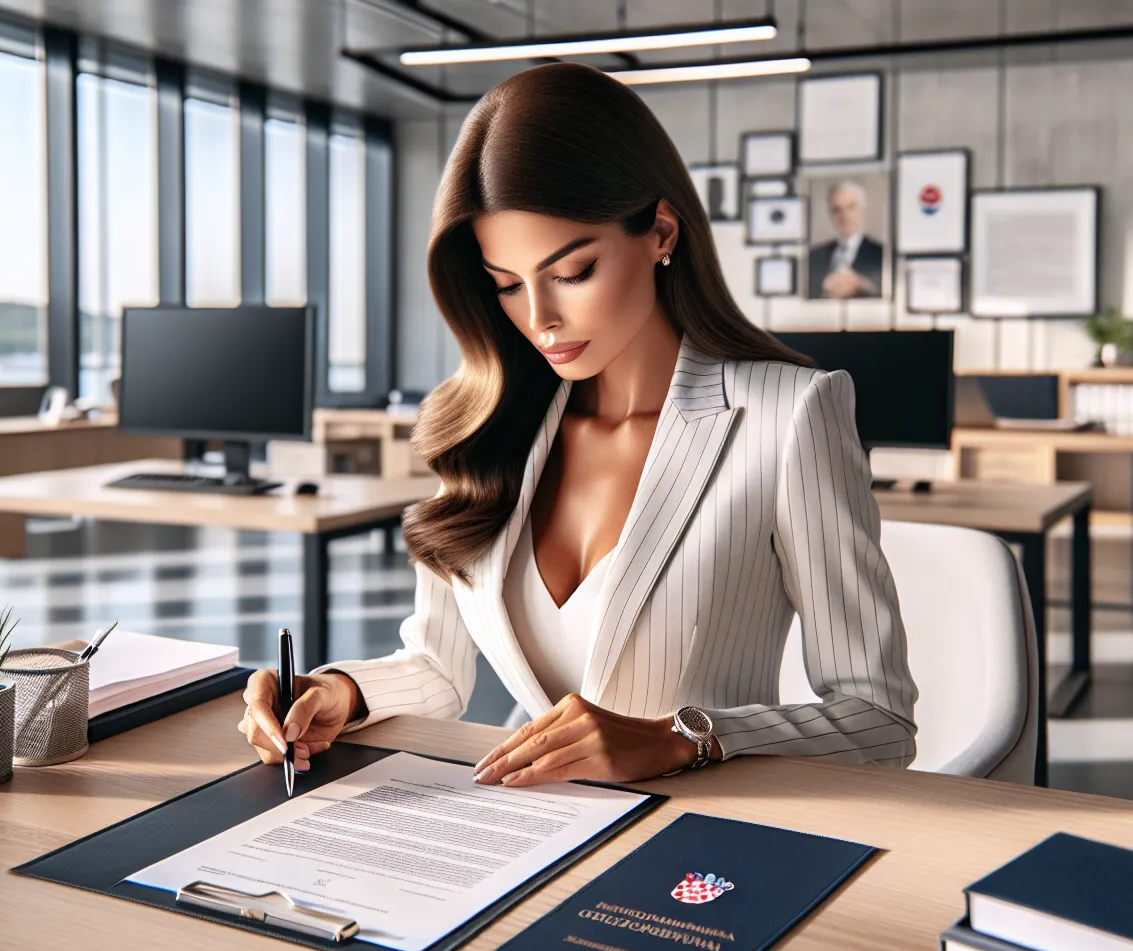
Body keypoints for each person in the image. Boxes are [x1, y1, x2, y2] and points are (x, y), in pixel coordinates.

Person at [240, 62, 916, 786]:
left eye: (572, 272)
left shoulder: (789, 416)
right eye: (506, 285)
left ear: (660, 231)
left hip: (706, 837)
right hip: (524, 818)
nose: (539, 319)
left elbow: (879, 722)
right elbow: (438, 667)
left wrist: (682, 738)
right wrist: (340, 691)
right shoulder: (483, 426)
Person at [806, 180, 885, 299]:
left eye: (851, 207)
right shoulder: (814, 255)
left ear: (861, 210)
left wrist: (862, 286)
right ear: (831, 215)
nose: (844, 215)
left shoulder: (881, 254)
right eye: (837, 210)